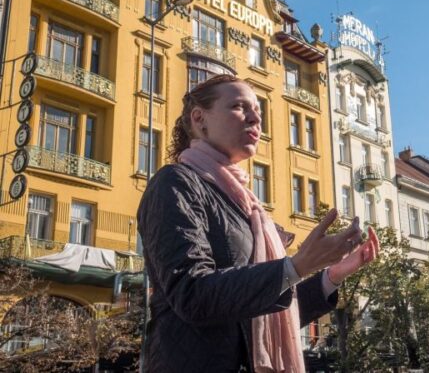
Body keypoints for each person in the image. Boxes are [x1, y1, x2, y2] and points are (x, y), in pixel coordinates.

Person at [137, 74, 380, 372]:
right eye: (239, 107)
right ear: (200, 119)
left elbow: (264, 317)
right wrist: (296, 267)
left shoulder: (247, 205)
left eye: (258, 111)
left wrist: (331, 275)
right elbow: (192, 294)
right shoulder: (175, 182)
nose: (255, 118)